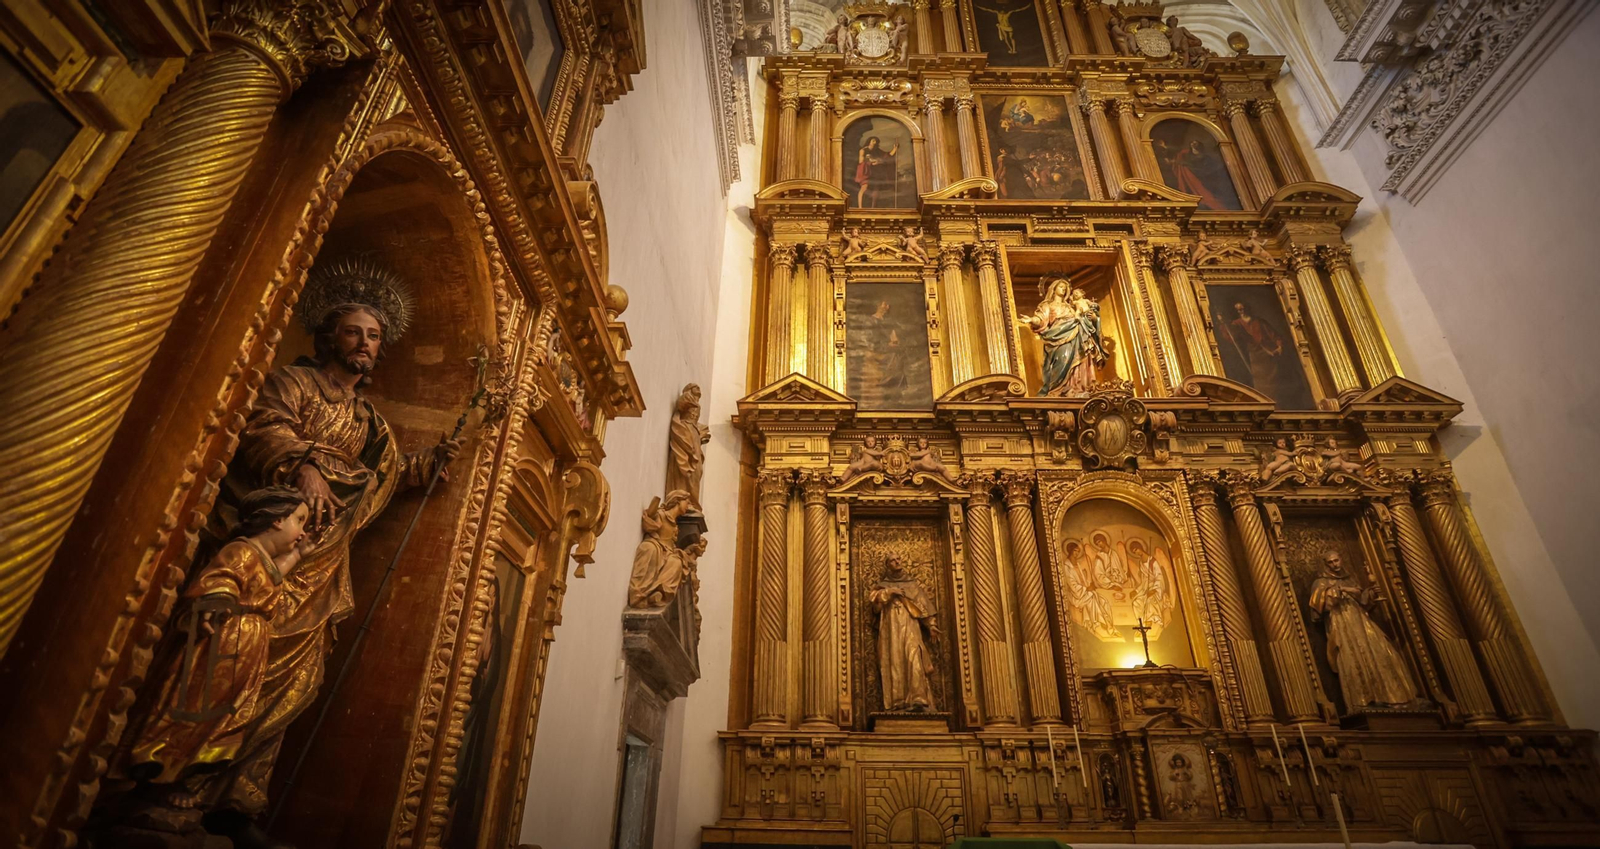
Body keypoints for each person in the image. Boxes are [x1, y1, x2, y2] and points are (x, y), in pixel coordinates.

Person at [193, 278, 462, 844]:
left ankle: (237, 803)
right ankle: (180, 788)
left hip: (320, 562)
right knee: (235, 656)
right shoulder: (295, 383)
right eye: (353, 332)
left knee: (297, 678)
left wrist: (427, 465)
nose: (364, 343)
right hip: (270, 545)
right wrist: (304, 466)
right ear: (329, 336)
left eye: (373, 336)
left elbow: (383, 475)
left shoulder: (368, 420)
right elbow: (263, 427)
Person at [127, 488, 312, 790]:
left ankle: (189, 771)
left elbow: (270, 578)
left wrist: (296, 556)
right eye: (300, 520)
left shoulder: (262, 558)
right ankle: (158, 759)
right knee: (197, 703)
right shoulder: (242, 551)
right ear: (277, 519)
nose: (302, 532)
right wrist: (217, 601)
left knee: (222, 715)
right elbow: (221, 578)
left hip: (244, 653)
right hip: (221, 643)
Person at [1306, 551, 1421, 710]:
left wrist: (1370, 593)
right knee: (1353, 657)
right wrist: (1335, 593)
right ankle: (1363, 701)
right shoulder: (1320, 582)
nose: (1335, 564)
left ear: (1341, 559)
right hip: (1342, 623)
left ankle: (1393, 697)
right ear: (1325, 564)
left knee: (1381, 651)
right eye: (1331, 562)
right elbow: (1318, 607)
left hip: (1361, 621)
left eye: (1336, 560)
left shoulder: (1349, 579)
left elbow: (1363, 601)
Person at [1018, 277, 1109, 396]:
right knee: (1063, 358)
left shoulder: (1070, 306)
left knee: (1082, 357)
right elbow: (1040, 319)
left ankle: (1079, 387)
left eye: (1065, 288)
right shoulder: (1048, 305)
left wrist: (1093, 318)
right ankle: (1060, 389)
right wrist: (1031, 319)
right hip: (1058, 337)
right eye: (1061, 287)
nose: (1063, 290)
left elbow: (1084, 316)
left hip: (1077, 332)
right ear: (1054, 289)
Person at [871, 556, 939, 710]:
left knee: (914, 657)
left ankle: (919, 699)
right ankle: (898, 701)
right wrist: (889, 592)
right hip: (891, 630)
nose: (897, 562)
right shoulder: (882, 586)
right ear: (887, 565)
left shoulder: (912, 586)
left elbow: (922, 606)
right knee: (894, 661)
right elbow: (875, 607)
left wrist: (931, 625)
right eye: (893, 560)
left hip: (910, 628)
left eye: (898, 559)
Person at [854, 136, 901, 207]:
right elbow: (861, 162)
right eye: (873, 141)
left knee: (876, 190)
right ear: (869, 141)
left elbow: (887, 156)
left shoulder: (877, 151)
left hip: (876, 172)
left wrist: (895, 148)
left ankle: (873, 208)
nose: (875, 142)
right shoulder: (863, 150)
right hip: (867, 171)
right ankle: (860, 207)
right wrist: (871, 161)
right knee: (865, 187)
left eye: (876, 141)